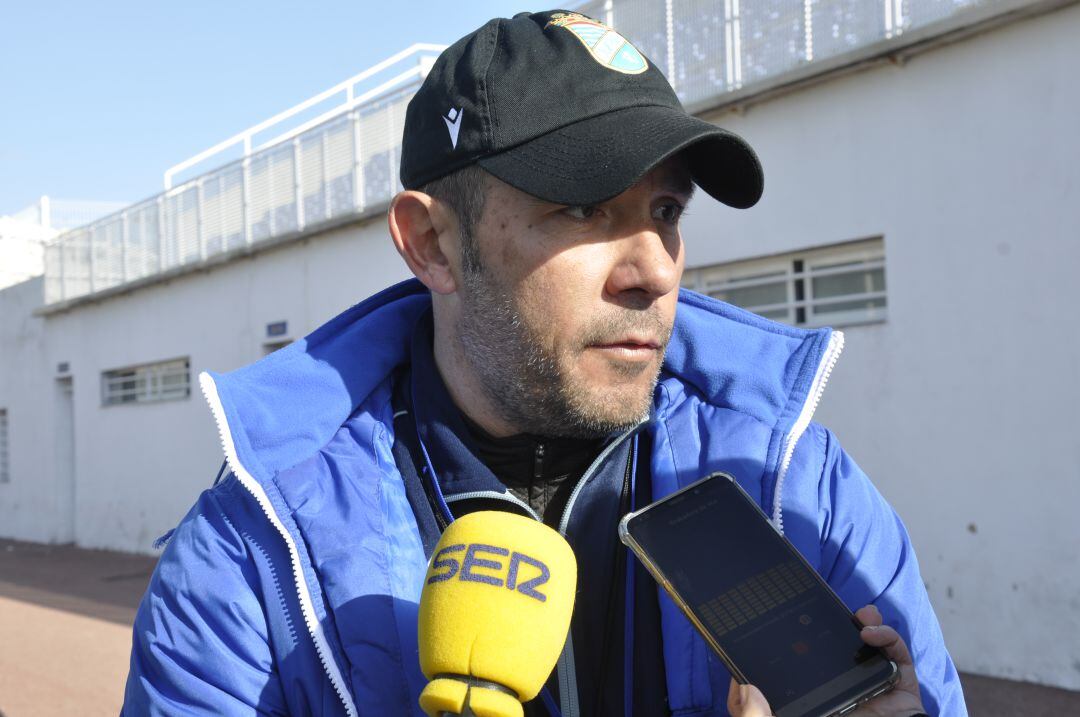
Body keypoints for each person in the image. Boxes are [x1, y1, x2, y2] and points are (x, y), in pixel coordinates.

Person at [123, 10, 966, 717]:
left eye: (666, 209)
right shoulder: (251, 552)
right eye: (584, 208)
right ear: (432, 244)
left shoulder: (801, 492)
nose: (656, 269)